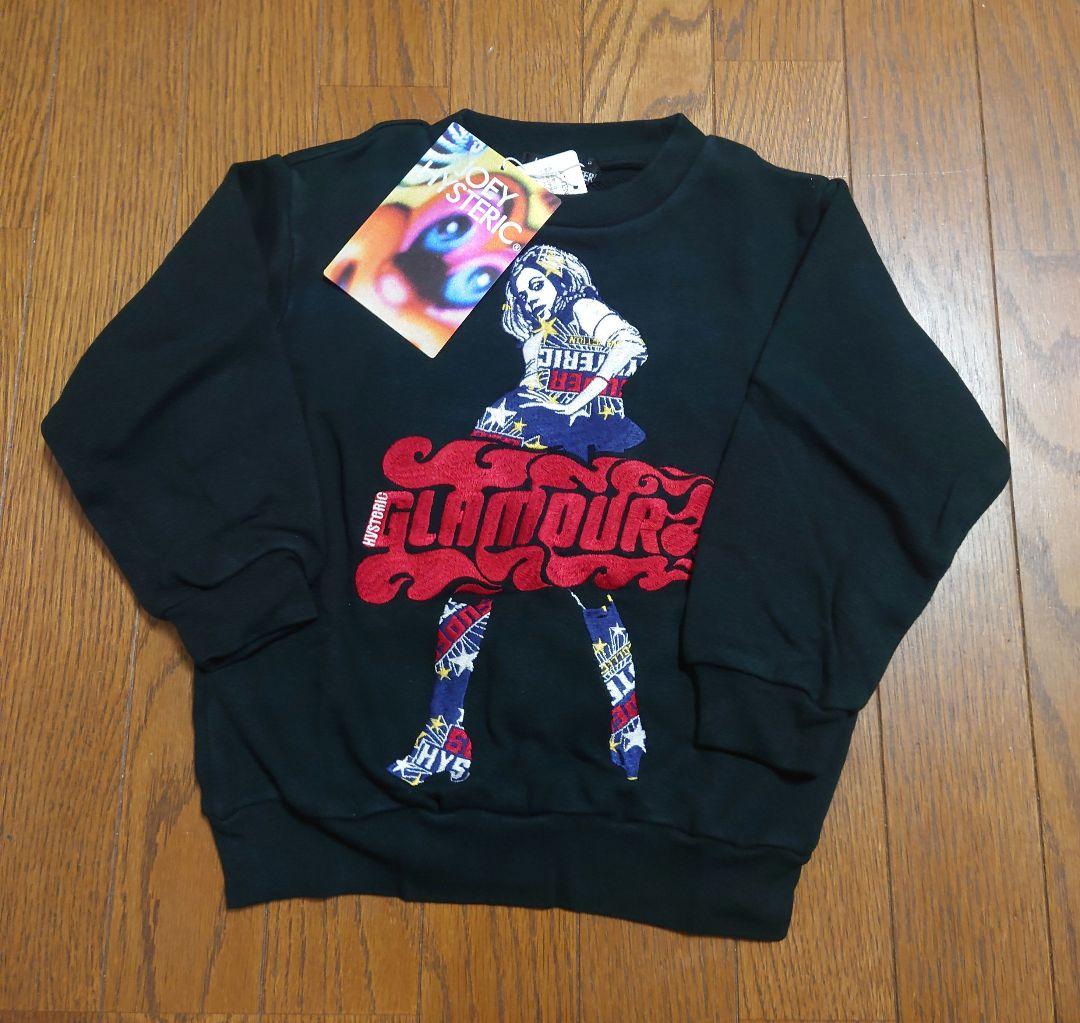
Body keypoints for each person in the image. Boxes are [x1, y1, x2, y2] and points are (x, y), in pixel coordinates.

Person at [387, 244, 650, 787]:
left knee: (588, 587)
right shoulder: (532, 334)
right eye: (521, 289)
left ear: (561, 280)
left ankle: (628, 725)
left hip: (570, 465)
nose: (528, 295)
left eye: (537, 283)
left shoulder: (583, 309)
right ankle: (443, 734)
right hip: (511, 454)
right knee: (471, 585)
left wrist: (577, 401)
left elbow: (630, 344)